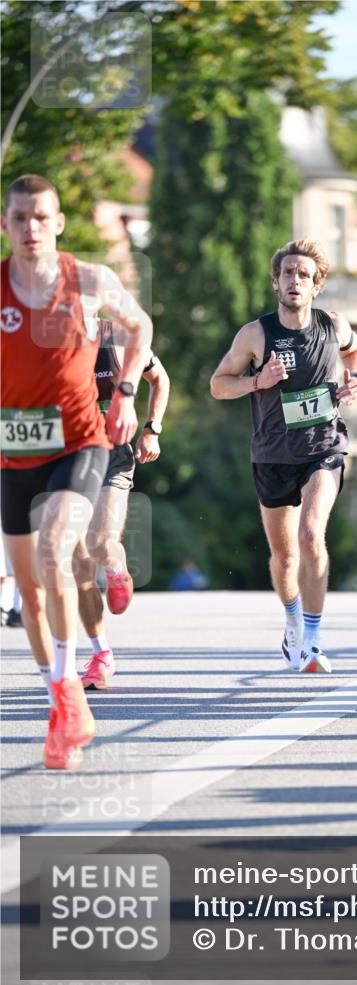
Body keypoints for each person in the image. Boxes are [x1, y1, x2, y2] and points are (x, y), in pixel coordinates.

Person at [0, 174, 151, 769]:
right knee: (31, 595)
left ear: (58, 222)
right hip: (14, 449)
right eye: (19, 218)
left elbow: (139, 327)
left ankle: (69, 686)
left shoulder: (88, 281)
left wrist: (128, 394)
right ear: (6, 225)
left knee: (55, 552)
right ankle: (60, 696)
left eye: (41, 217)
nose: (31, 228)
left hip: (80, 441)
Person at [210, 239, 357, 673]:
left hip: (324, 447)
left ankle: (313, 641)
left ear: (317, 286)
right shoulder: (256, 334)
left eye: (303, 275)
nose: (294, 280)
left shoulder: (333, 326)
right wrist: (258, 381)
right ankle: (294, 621)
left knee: (312, 536)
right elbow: (219, 385)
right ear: (276, 282)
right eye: (287, 273)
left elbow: (355, 352)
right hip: (273, 454)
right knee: (285, 557)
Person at [73, 319, 170, 691]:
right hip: (69, 457)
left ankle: (115, 567)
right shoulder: (47, 342)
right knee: (74, 554)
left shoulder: (120, 339)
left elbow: (159, 379)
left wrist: (152, 428)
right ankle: (101, 654)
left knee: (98, 543)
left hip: (113, 455)